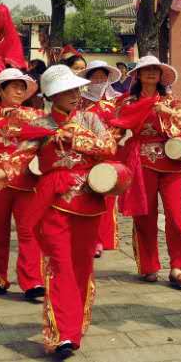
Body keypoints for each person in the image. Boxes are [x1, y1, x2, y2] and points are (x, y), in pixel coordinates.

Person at [29, 65, 119, 359]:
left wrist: (75, 139)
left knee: (81, 267)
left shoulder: (90, 119)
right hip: (53, 204)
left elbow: (109, 147)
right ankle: (61, 334)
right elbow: (17, 159)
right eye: (65, 91)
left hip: (89, 204)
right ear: (51, 95)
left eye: (74, 89)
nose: (72, 95)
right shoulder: (40, 124)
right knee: (59, 265)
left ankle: (74, 324)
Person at [111, 55, 181, 287]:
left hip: (171, 162)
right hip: (141, 162)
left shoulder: (172, 102)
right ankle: (149, 265)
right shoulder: (127, 102)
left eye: (155, 69)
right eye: (146, 69)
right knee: (144, 215)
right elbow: (115, 129)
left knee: (174, 214)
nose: (151, 73)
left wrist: (166, 112)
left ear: (161, 75)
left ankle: (177, 266)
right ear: (138, 75)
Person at [0, 68, 48, 299]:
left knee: (30, 229)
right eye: (13, 85)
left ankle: (33, 281)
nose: (19, 89)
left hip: (26, 178)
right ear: (0, 90)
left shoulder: (35, 115)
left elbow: (55, 129)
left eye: (22, 86)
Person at [78, 60, 122, 257]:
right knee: (89, 195)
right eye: (94, 76)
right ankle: (92, 239)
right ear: (88, 79)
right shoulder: (79, 101)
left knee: (108, 195)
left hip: (110, 153)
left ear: (108, 78)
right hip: (85, 154)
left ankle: (105, 238)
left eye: (102, 76)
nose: (98, 80)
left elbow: (124, 124)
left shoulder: (117, 100)